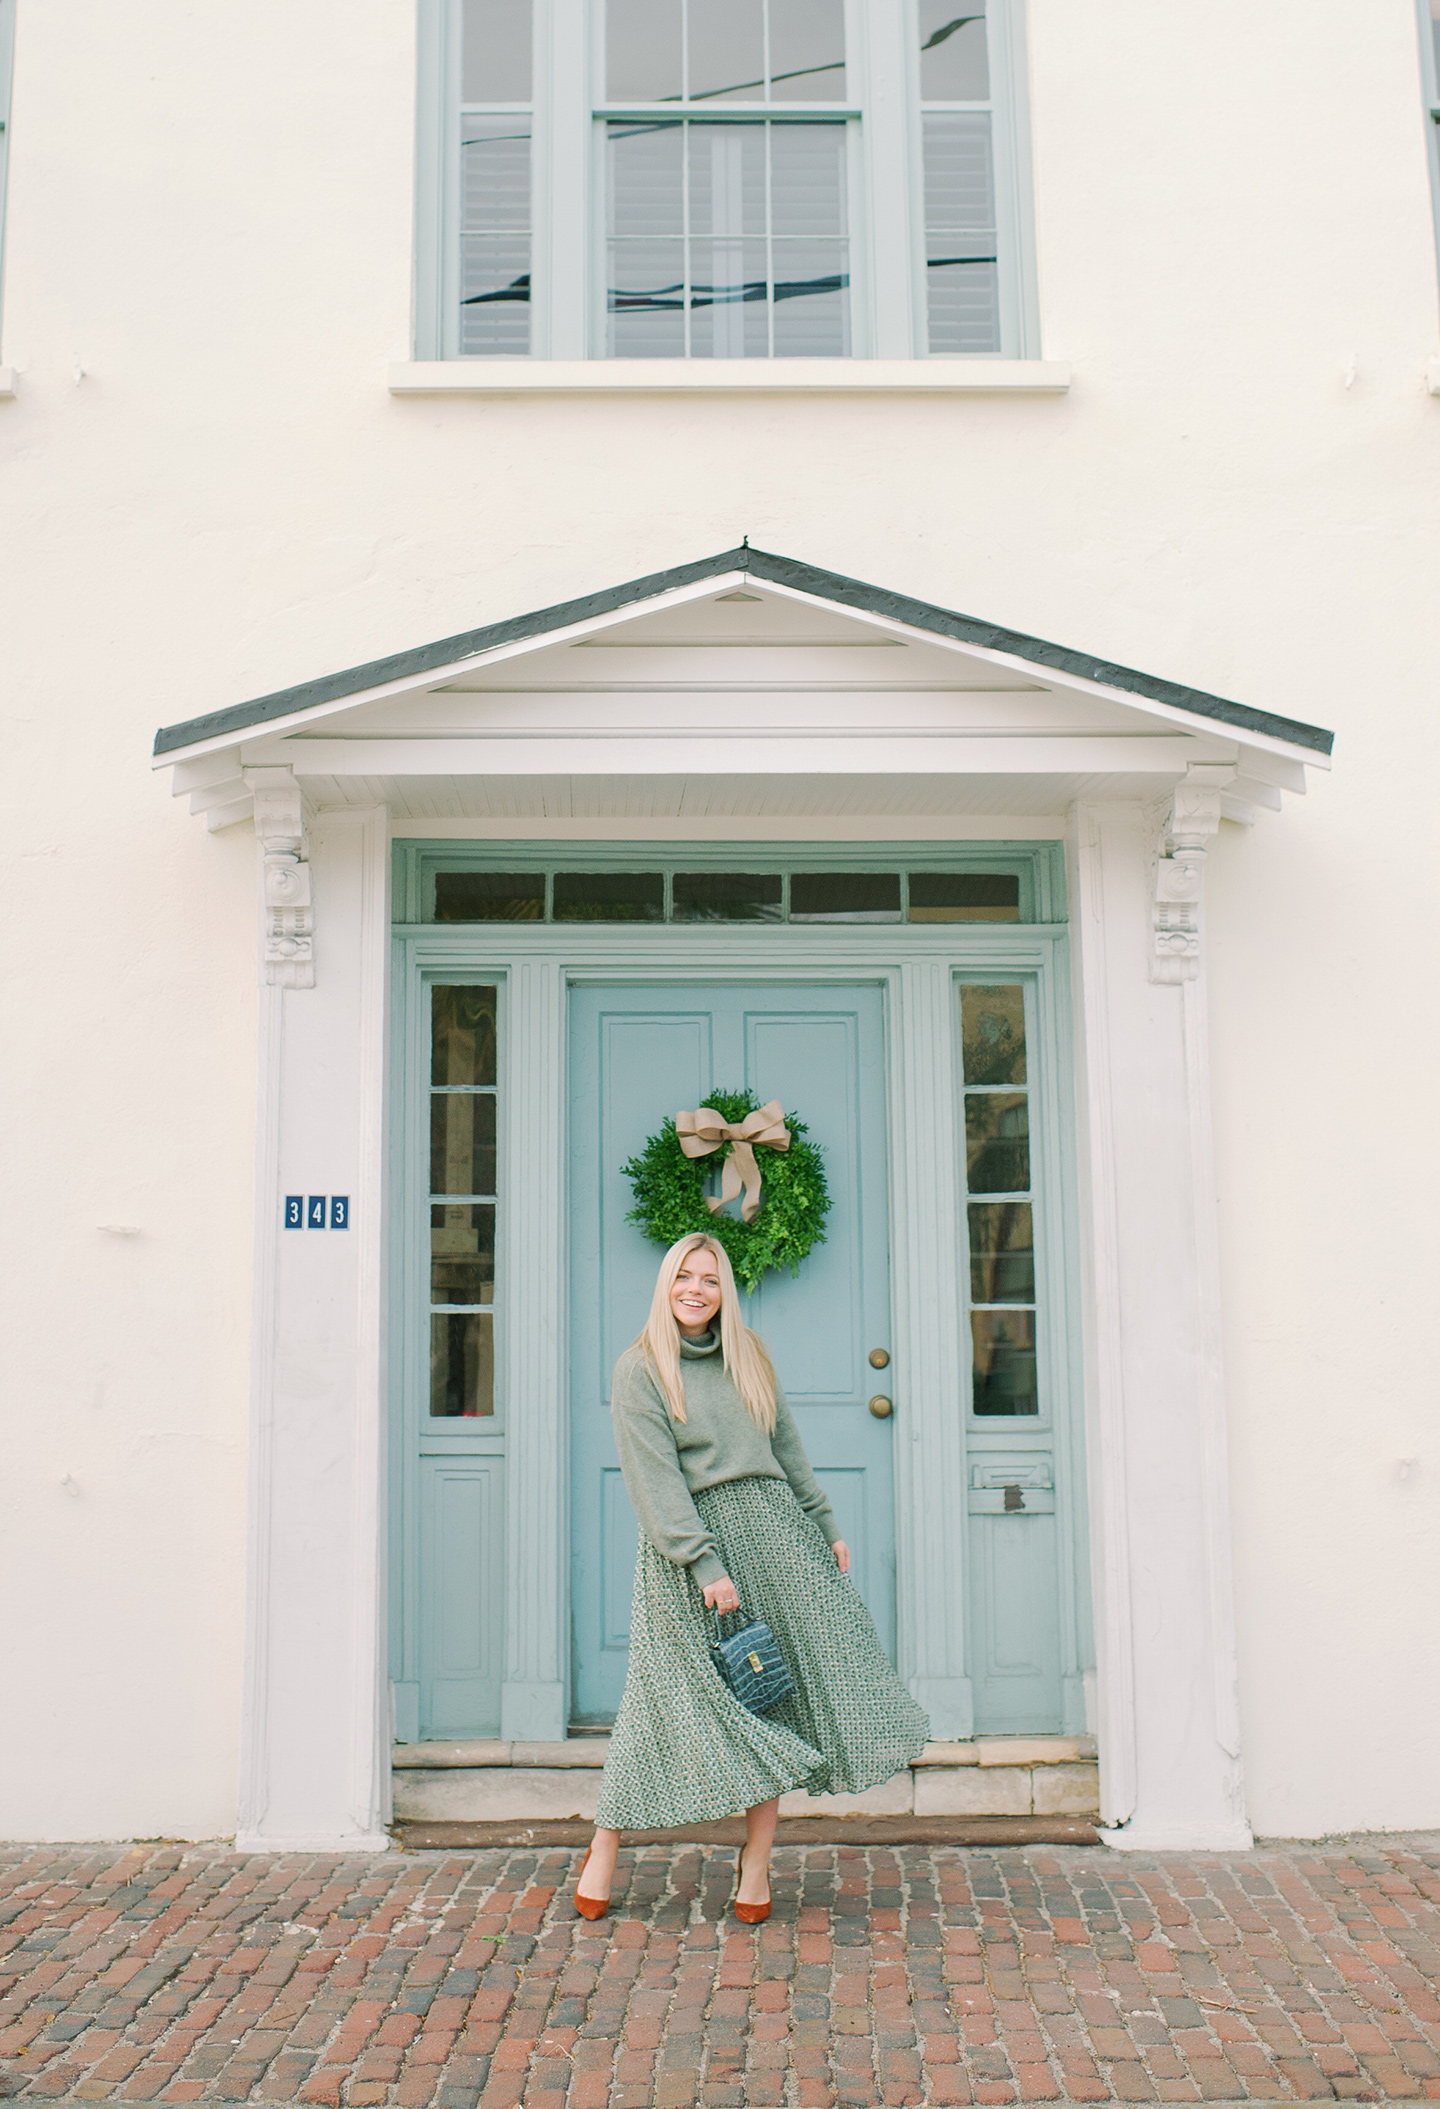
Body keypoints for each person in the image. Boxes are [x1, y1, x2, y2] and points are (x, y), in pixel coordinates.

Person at [574, 1230, 929, 1922]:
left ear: (723, 1290)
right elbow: (655, 1481)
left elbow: (785, 1444)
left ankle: (757, 1863)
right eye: (685, 1276)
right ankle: (605, 1844)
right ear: (666, 1284)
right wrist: (703, 1560)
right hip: (691, 1553)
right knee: (661, 1703)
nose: (696, 1289)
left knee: (772, 1695)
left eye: (709, 1278)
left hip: (774, 1536)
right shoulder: (641, 1368)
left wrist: (824, 1523)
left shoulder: (748, 1355)